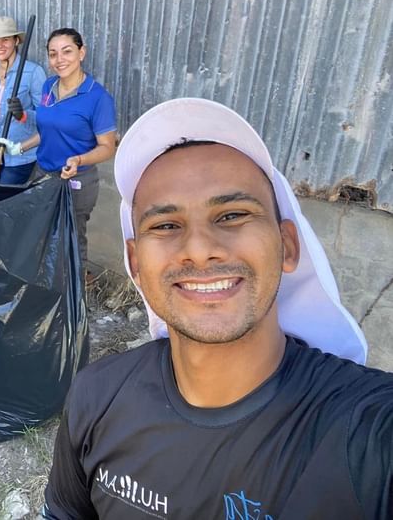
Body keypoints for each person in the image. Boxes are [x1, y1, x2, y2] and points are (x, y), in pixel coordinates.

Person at [42, 98, 391, 519]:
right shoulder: (96, 396)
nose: (200, 250)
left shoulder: (368, 433)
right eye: (166, 225)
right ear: (135, 263)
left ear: (288, 246)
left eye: (232, 215)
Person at [0, 28, 116, 279]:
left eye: (67, 51)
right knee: (43, 228)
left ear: (81, 53)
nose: (59, 59)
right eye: (53, 54)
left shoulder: (97, 97)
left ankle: (75, 287)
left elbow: (108, 146)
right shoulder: (50, 86)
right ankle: (48, 278)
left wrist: (78, 159)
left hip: (77, 179)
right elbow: (48, 129)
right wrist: (20, 147)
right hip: (44, 172)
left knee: (72, 234)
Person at [0, 16, 46, 184]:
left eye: (5, 39)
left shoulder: (33, 72)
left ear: (16, 41)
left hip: (20, 156)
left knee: (7, 203)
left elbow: (46, 118)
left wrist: (23, 114)